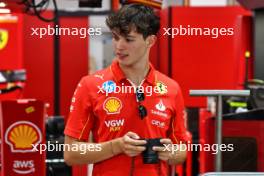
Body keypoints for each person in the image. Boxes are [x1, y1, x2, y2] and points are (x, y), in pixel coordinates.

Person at [64, 3, 188, 176]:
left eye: (128, 39)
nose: (119, 46)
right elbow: (71, 154)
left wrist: (172, 154)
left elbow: (182, 150)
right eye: (115, 37)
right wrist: (116, 146)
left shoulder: (171, 89)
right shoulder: (90, 85)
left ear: (150, 41)